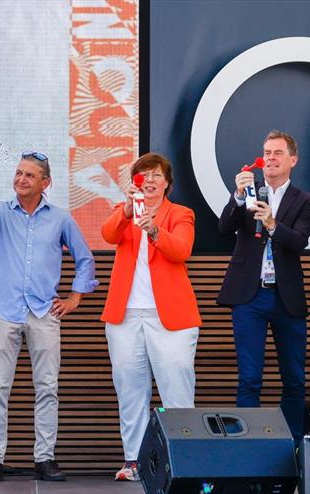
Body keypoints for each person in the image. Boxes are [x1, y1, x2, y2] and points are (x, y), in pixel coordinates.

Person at [0, 151, 97, 482]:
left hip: (43, 313)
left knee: (48, 387)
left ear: (45, 183)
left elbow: (85, 259)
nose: (21, 179)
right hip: (4, 311)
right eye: (19, 173)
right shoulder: (1, 212)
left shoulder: (61, 218)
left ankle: (45, 458)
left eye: (29, 175)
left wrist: (75, 298)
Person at [100, 153, 201, 481]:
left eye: (157, 175)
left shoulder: (181, 213)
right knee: (130, 387)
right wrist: (129, 211)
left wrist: (155, 229)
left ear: (167, 182)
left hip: (170, 316)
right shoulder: (124, 211)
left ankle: (183, 457)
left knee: (176, 388)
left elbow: (181, 249)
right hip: (125, 315)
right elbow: (107, 234)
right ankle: (134, 460)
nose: (150, 180)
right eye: (143, 175)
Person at [216, 130, 310, 443]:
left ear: (292, 160)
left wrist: (272, 224)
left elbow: (299, 242)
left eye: (277, 153)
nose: (270, 158)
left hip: (286, 298)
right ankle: (249, 449)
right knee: (249, 378)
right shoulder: (249, 191)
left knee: (294, 379)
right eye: (267, 152)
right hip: (250, 296)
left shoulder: (305, 201)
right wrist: (236, 195)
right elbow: (224, 228)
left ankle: (293, 447)